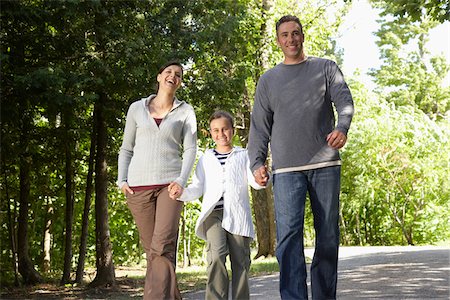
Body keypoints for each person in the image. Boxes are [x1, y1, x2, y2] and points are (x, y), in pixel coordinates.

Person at [248, 15, 355, 300]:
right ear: (278, 40)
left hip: (325, 164)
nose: (291, 39)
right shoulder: (268, 80)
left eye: (295, 33)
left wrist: (341, 128)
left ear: (303, 35)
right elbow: (259, 126)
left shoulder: (325, 68)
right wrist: (257, 162)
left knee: (328, 235)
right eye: (285, 35)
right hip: (286, 170)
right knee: (288, 239)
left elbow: (344, 100)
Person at [117, 60, 197, 300]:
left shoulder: (185, 111)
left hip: (169, 187)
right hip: (138, 187)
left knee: (161, 246)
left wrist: (182, 180)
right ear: (159, 76)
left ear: (180, 83)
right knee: (154, 251)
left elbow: (191, 148)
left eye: (179, 75)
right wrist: (121, 179)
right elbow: (126, 148)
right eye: (169, 72)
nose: (173, 76)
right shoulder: (136, 109)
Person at [175, 110, 266, 300]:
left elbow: (254, 181)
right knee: (216, 256)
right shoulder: (206, 159)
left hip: (238, 215)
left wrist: (262, 179)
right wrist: (182, 193)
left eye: (225, 129)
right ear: (210, 133)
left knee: (241, 263)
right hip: (213, 214)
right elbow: (197, 187)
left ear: (232, 130)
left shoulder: (244, 155)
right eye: (216, 130)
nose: (221, 134)